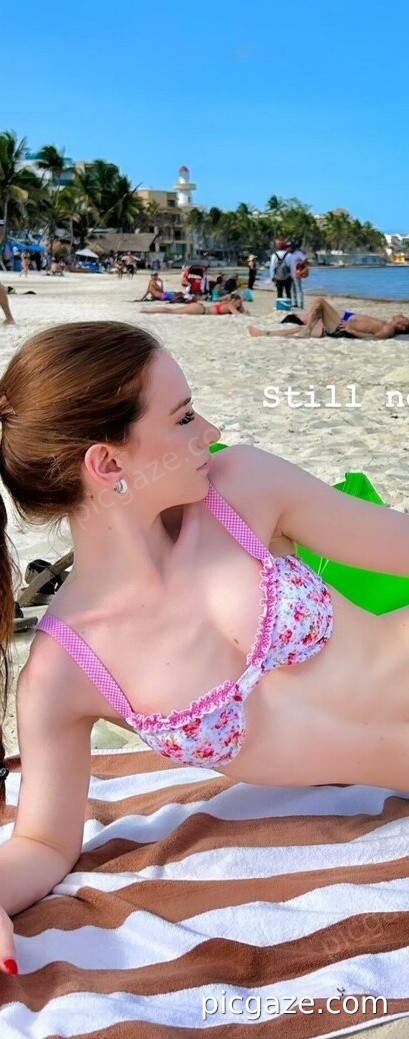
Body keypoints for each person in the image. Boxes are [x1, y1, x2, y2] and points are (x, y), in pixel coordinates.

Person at [3, 320, 409, 970]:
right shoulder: (64, 670)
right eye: (184, 417)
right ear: (107, 463)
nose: (210, 431)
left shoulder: (242, 489)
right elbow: (44, 844)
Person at [248, 296, 409, 339]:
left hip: (341, 328)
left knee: (319, 301)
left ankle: (307, 329)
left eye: (405, 318)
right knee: (299, 329)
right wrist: (347, 316)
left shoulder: (388, 329)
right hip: (340, 324)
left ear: (401, 326)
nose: (402, 315)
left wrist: (352, 330)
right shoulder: (386, 324)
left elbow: (375, 338)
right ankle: (262, 333)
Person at [140, 293, 245, 315]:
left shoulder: (225, 303)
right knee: (171, 311)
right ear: (234, 301)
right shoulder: (229, 306)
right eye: (239, 303)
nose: (239, 305)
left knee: (171, 310)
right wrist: (242, 310)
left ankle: (148, 310)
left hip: (200, 307)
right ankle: (147, 310)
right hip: (201, 310)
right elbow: (238, 315)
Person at [288, 241, 308, 310]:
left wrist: (300, 265)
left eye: (290, 246)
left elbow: (305, 259)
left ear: (293, 247)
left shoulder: (298, 253)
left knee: (298, 289)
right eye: (288, 247)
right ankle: (294, 303)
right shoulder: (289, 254)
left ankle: (301, 304)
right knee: (292, 289)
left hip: (297, 274)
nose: (288, 248)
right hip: (290, 274)